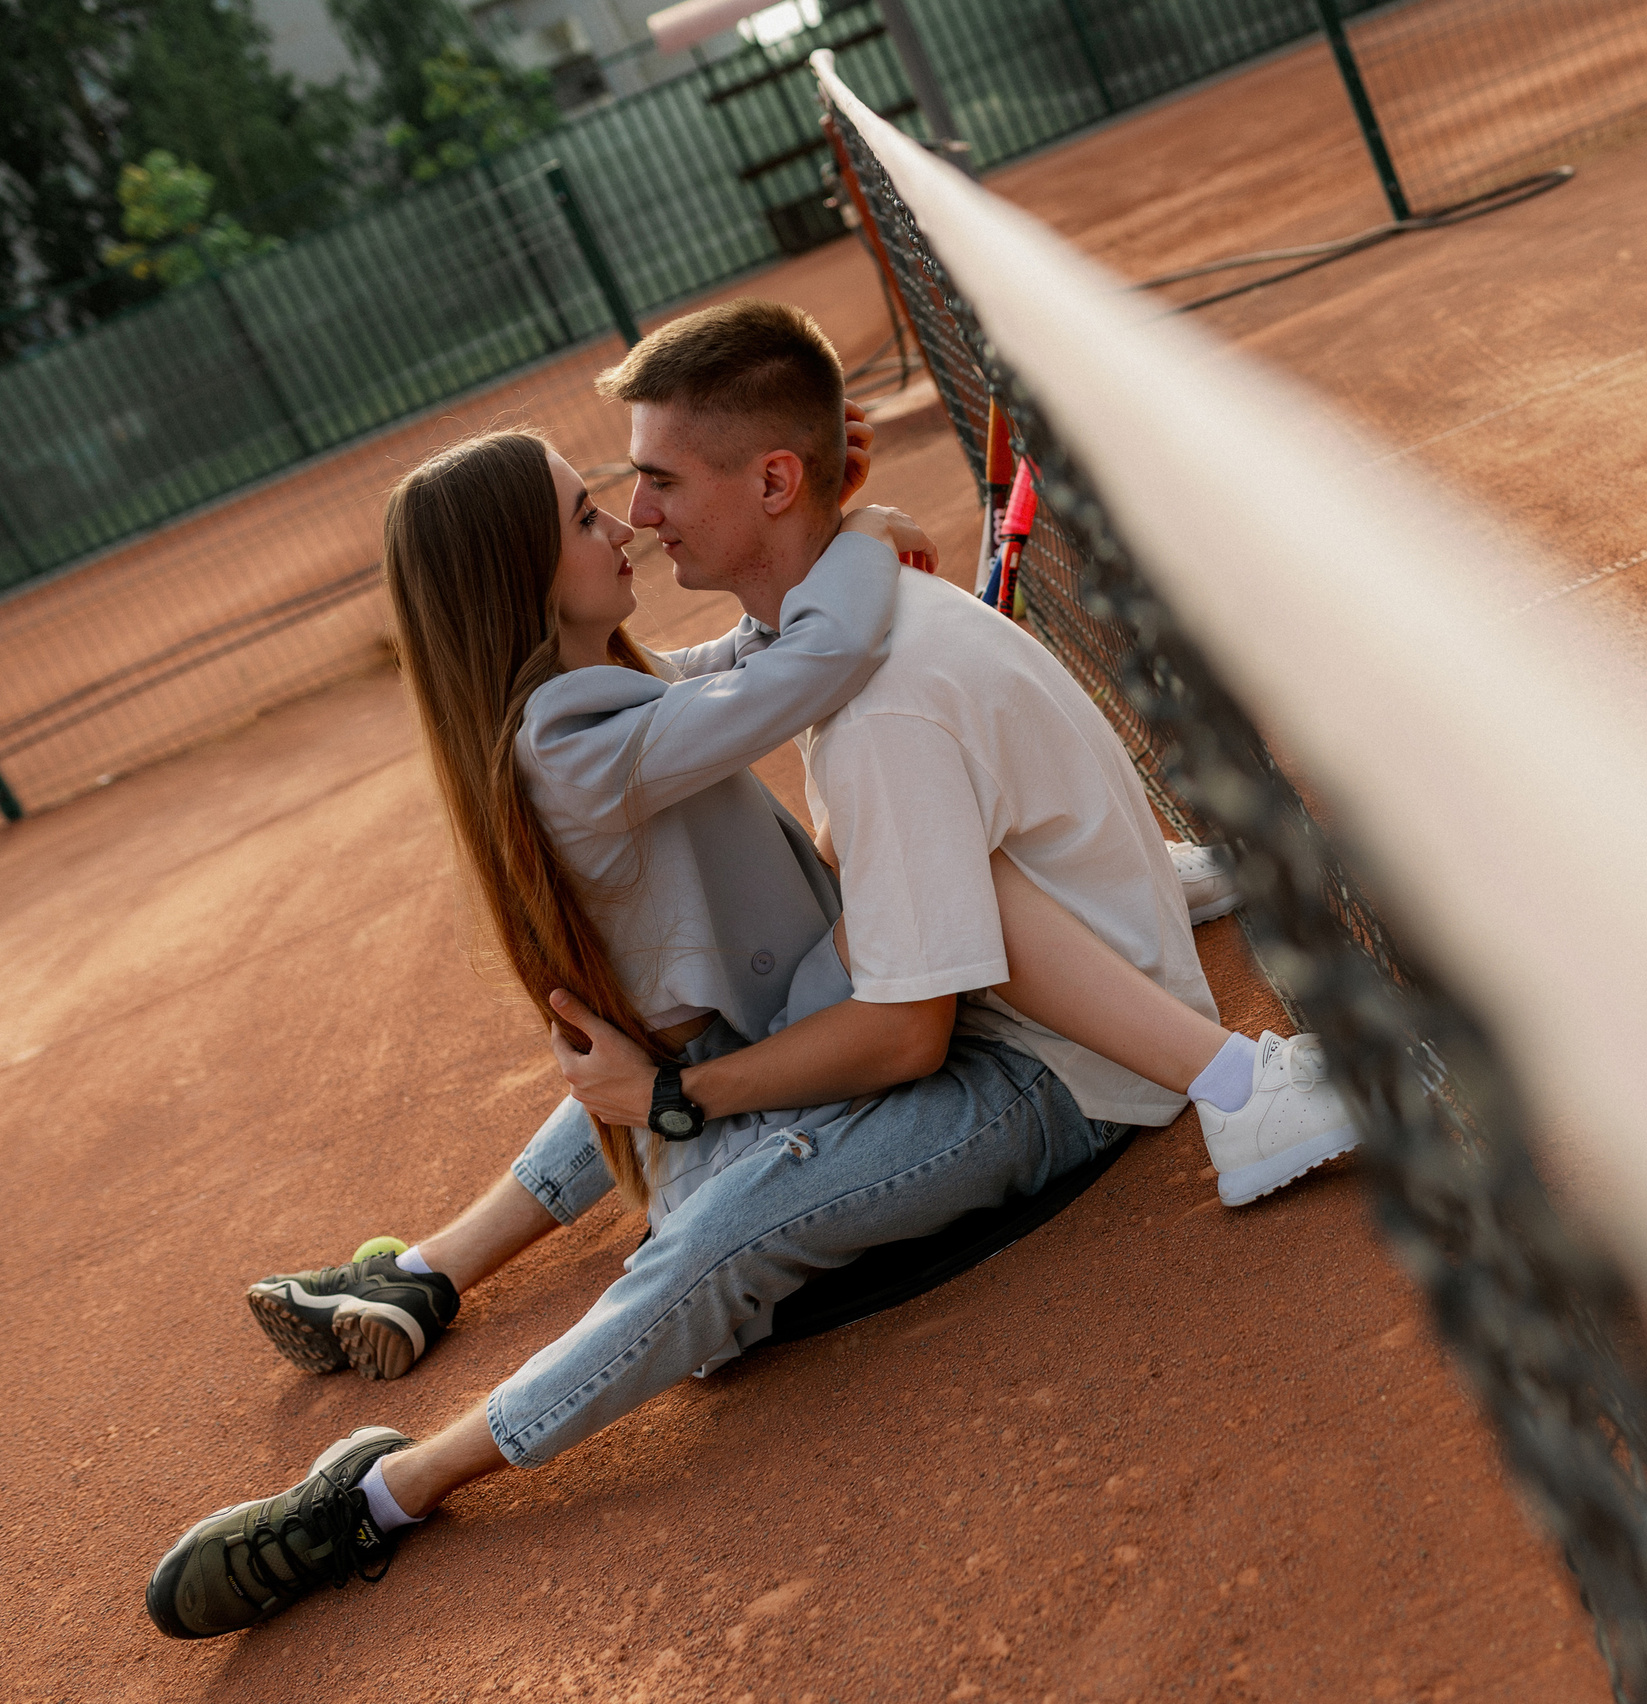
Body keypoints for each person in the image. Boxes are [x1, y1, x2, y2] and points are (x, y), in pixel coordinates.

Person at [146, 300, 1356, 1641]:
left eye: (645, 486)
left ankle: (403, 1397)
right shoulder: (604, 725)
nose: (632, 519)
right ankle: (402, 1393)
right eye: (594, 512)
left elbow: (769, 690)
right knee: (667, 1104)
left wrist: (677, 1101)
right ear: (520, 577)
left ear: (765, 482)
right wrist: (856, 559)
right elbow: (798, 660)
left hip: (950, 1041)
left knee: (694, 1165)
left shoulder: (680, 695)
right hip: (861, 1007)